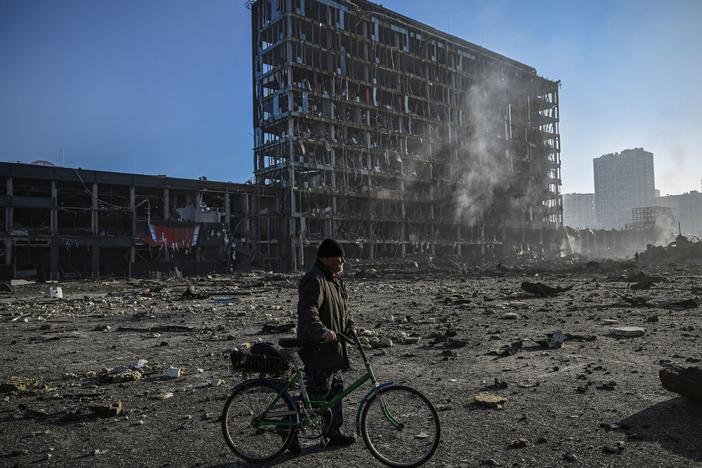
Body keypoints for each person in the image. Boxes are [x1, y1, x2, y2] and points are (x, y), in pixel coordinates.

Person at [297, 238, 357, 447]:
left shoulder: (335, 281)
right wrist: (321, 331)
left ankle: (333, 432)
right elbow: (307, 311)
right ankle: (288, 428)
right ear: (325, 258)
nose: (342, 260)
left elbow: (345, 311)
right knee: (317, 396)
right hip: (319, 349)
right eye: (338, 256)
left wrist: (350, 327)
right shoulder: (314, 279)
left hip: (334, 350)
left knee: (336, 391)